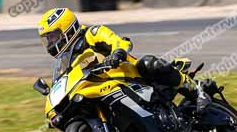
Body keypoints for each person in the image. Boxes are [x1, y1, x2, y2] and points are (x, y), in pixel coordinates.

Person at [37, 7, 213, 110]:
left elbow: (117, 41)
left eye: (53, 37)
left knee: (148, 63)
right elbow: (66, 79)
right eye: (48, 39)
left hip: (131, 75)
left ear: (66, 29)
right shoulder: (64, 60)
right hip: (102, 88)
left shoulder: (91, 34)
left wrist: (117, 53)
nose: (51, 43)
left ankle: (197, 91)